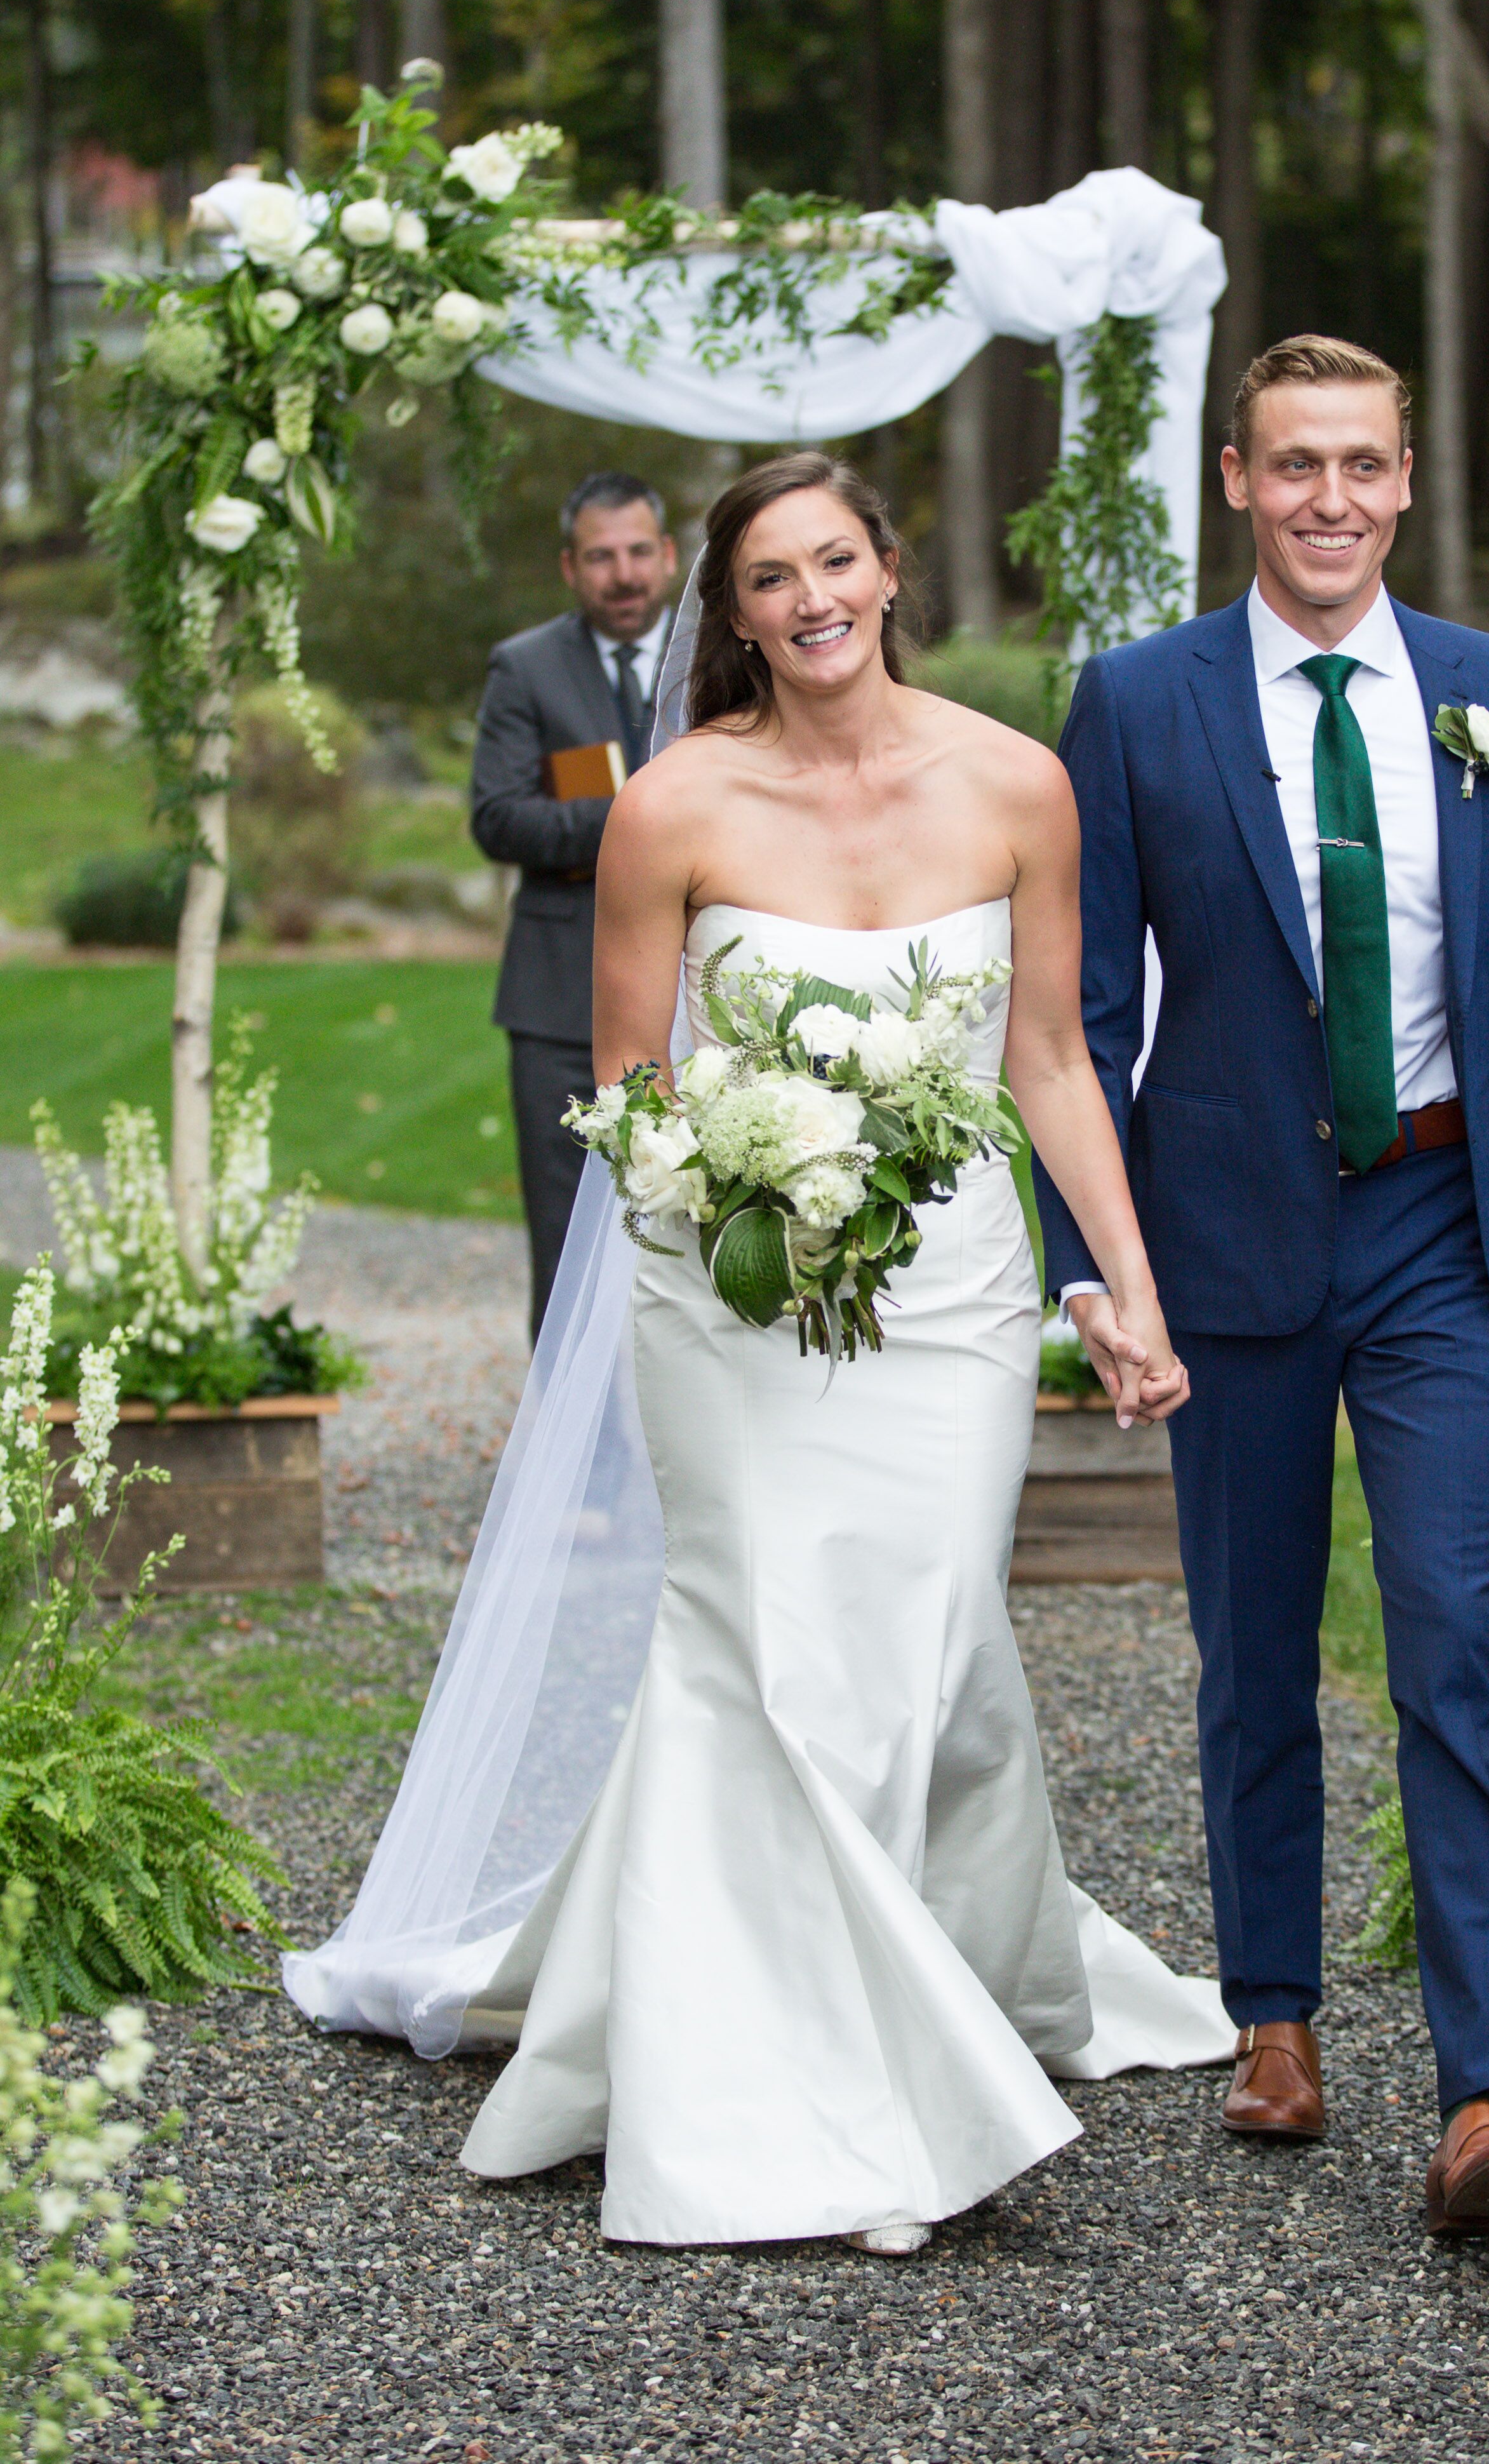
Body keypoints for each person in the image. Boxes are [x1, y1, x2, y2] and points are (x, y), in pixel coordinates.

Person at [443, 449, 1234, 2253]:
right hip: (726, 1299)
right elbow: (627, 1091)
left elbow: (1045, 1059)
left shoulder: (1016, 781)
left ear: (891, 569)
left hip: (949, 1296)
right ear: (731, 614)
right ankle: (826, 2079)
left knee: (925, 1639)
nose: (808, 597)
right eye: (769, 577)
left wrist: (1126, 1281)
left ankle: (895, 1973)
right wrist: (747, 1190)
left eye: (836, 560)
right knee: (768, 1653)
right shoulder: (673, 806)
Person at [1036, 334, 1489, 2235]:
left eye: (1363, 464)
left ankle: (1485, 2091)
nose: (1332, 501)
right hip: (1228, 1243)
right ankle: (1272, 2011)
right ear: (1236, 479)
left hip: (1454, 1230)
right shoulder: (1134, 703)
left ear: (1401, 478)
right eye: (1295, 465)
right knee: (1254, 1645)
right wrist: (1093, 1275)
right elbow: (1075, 1018)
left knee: (1453, 1631)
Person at [471, 473, 681, 1336]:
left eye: (638, 552)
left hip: (694, 992)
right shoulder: (526, 667)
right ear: (570, 567)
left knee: (691, 1233)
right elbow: (498, 816)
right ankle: (574, 1467)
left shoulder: (725, 656)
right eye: (600, 557)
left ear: (667, 556)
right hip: (558, 999)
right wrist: (642, 811)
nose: (622, 574)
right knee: (566, 1247)